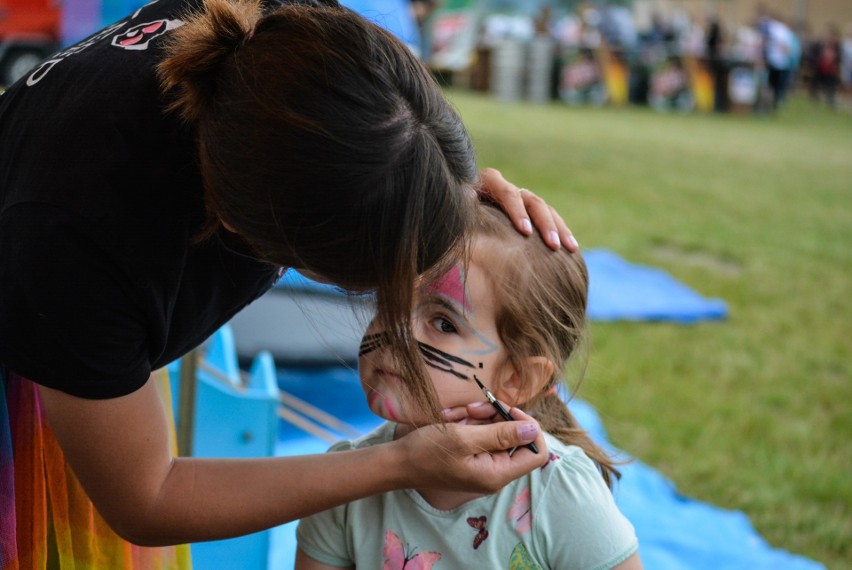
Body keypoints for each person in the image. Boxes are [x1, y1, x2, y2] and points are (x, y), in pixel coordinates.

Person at [0, 0, 579, 566]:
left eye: (443, 318)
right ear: (246, 234)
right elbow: (146, 495)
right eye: (387, 291)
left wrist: (442, 191)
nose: (397, 330)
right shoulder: (75, 244)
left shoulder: (295, 44)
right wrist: (397, 465)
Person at [295, 204, 641, 570]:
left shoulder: (560, 495)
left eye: (443, 323)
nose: (396, 330)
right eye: (390, 302)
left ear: (516, 379)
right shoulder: (342, 484)